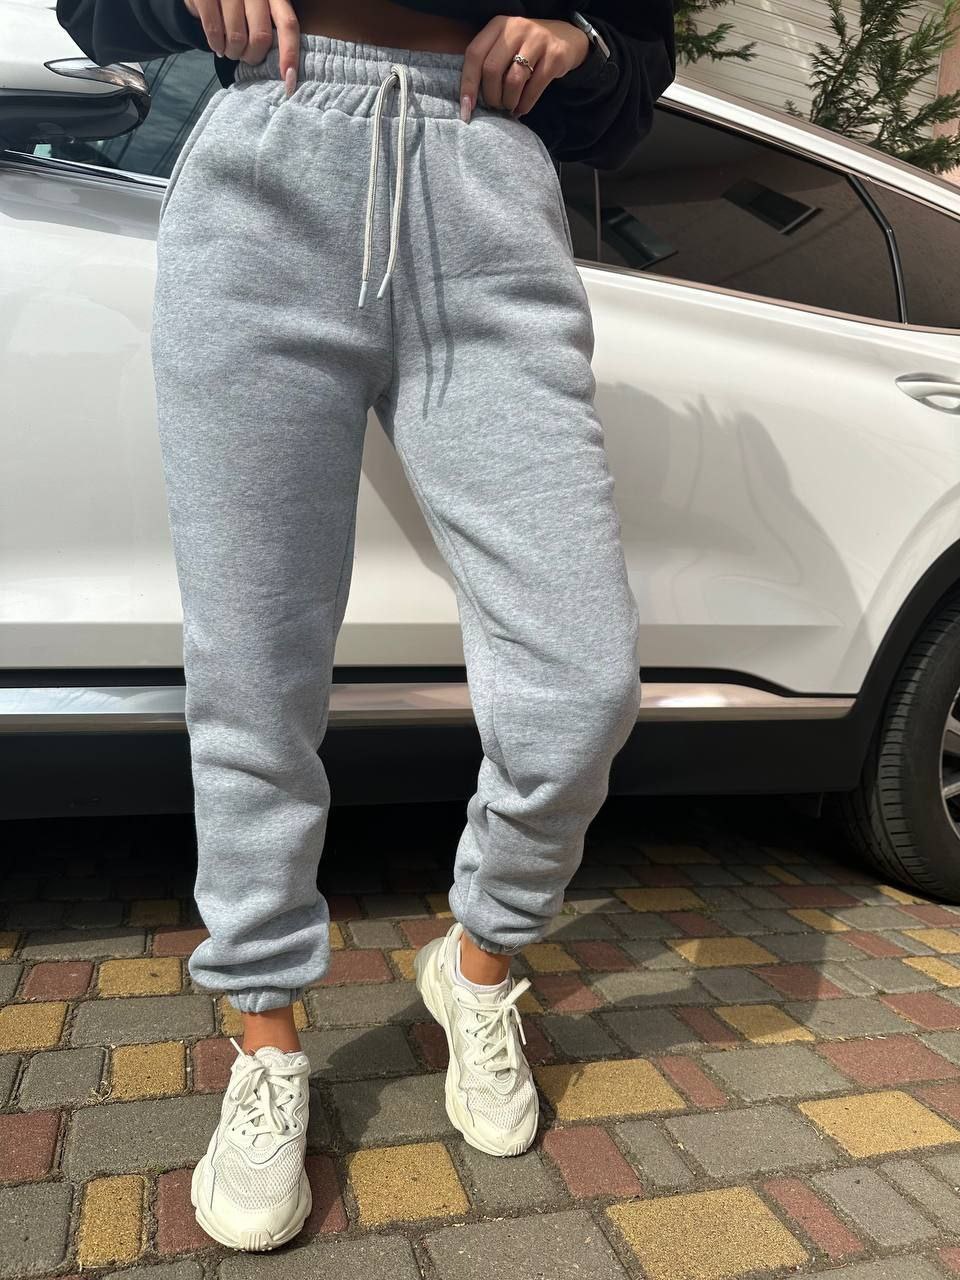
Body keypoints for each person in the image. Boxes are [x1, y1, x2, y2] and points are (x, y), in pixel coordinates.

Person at [57, 0, 676, 1253]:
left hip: (487, 181)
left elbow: (640, 54)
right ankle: (266, 1032)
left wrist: (584, 43)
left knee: (583, 676)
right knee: (255, 664)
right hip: (269, 166)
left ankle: (480, 958)